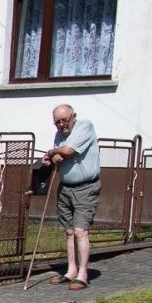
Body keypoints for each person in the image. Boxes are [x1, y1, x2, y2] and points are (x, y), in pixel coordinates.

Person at [44, 105, 100, 292]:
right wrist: (52, 158)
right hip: (65, 186)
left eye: (64, 120)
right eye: (57, 122)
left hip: (85, 187)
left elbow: (67, 151)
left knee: (80, 231)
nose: (61, 125)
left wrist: (53, 152)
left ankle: (83, 274)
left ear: (73, 117)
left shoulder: (84, 126)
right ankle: (70, 271)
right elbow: (59, 155)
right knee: (69, 231)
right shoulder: (59, 134)